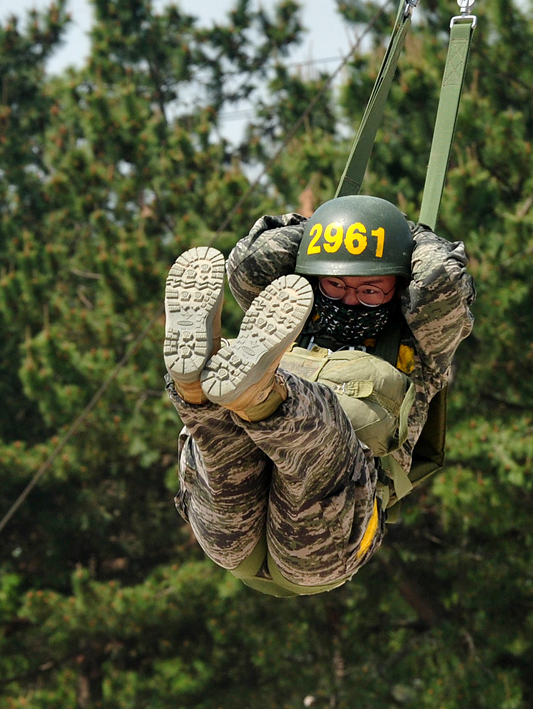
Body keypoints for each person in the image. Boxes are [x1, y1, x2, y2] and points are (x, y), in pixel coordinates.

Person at [162, 195, 475, 596]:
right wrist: (323, 231)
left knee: (323, 427)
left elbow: (440, 281)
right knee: (219, 438)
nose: (348, 300)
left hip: (321, 544)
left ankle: (233, 395)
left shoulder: (421, 343)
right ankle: (200, 391)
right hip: (229, 531)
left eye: (370, 291)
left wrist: (402, 233)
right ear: (315, 276)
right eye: (336, 284)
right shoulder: (295, 307)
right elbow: (249, 262)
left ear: (397, 285)